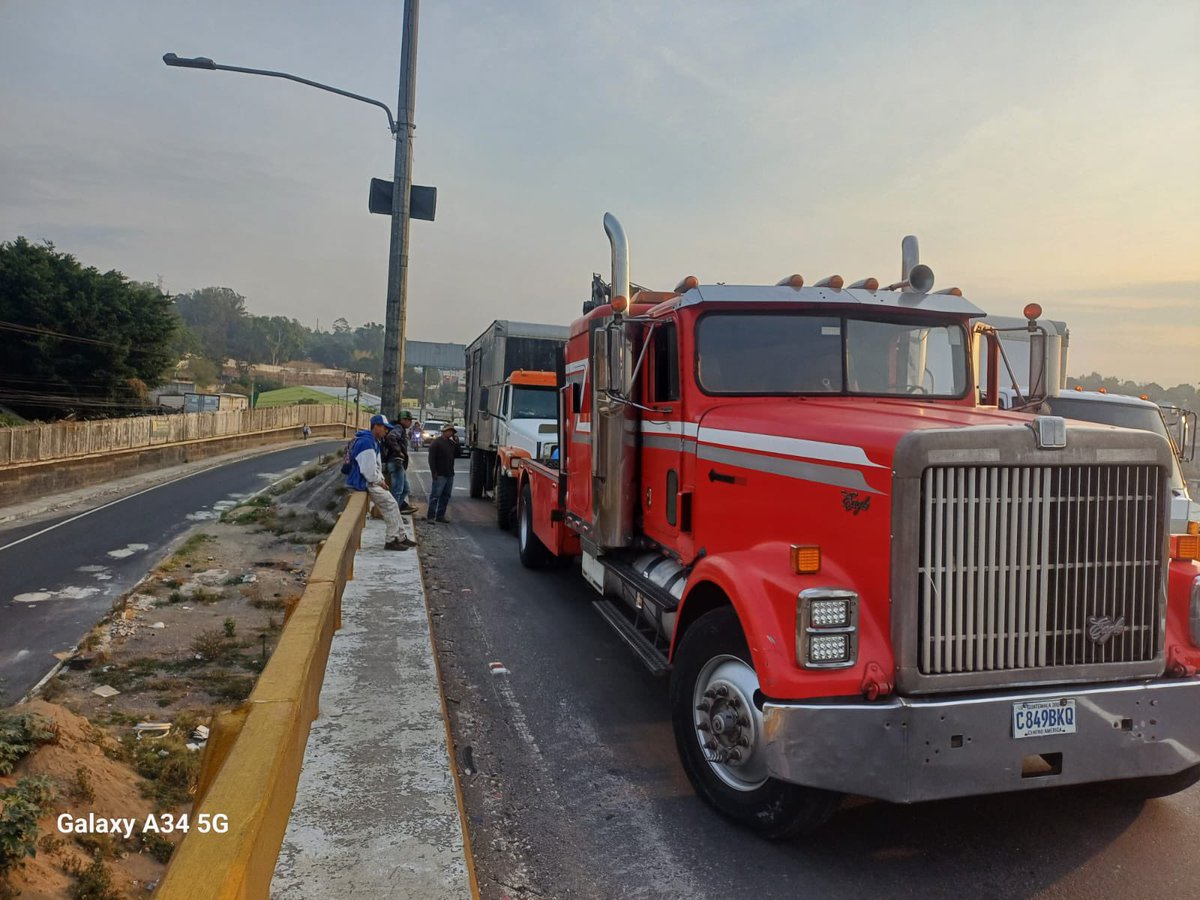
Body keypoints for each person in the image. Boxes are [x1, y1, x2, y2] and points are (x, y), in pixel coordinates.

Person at [346, 414, 415, 550]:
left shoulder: (371, 440)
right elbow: (369, 471)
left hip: (369, 481)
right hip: (365, 482)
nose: (386, 431)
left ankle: (400, 537)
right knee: (391, 505)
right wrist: (380, 482)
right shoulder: (367, 443)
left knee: (393, 505)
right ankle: (392, 540)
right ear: (376, 426)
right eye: (384, 428)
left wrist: (379, 480)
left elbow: (373, 467)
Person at [383, 410, 418, 515]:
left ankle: (399, 508)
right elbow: (391, 437)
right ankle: (393, 514)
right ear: (403, 420)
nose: (410, 422)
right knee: (397, 490)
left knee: (405, 489)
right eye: (409, 420)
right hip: (396, 462)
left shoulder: (400, 428)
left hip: (398, 463)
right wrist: (399, 452)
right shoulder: (398, 428)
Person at [426, 422, 458, 523]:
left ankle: (440, 516)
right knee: (435, 495)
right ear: (444, 431)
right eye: (448, 431)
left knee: (446, 496)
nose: (450, 433)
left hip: (449, 473)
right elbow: (431, 459)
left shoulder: (452, 443)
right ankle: (431, 516)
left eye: (451, 432)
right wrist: (433, 472)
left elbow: (458, 454)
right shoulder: (436, 443)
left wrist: (456, 443)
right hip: (439, 474)